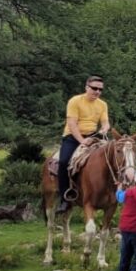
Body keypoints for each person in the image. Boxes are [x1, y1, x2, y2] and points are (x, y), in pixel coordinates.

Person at [57, 76, 110, 214]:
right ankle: (64, 198)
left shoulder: (102, 104)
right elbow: (72, 124)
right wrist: (82, 140)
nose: (97, 92)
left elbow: (105, 123)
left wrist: (104, 129)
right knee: (63, 162)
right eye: (94, 88)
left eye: (100, 89)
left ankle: (112, 192)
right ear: (86, 87)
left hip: (93, 136)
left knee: (112, 156)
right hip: (73, 137)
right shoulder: (75, 101)